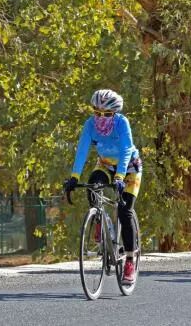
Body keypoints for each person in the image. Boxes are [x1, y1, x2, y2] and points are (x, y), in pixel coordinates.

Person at [64, 89, 142, 284]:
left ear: (114, 114)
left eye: (106, 114)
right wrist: (74, 176)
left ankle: (130, 261)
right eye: (97, 112)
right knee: (93, 185)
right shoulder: (90, 125)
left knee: (125, 211)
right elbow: (82, 149)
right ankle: (99, 218)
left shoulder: (122, 123)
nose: (101, 118)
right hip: (105, 164)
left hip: (129, 167)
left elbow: (126, 150)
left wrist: (121, 176)